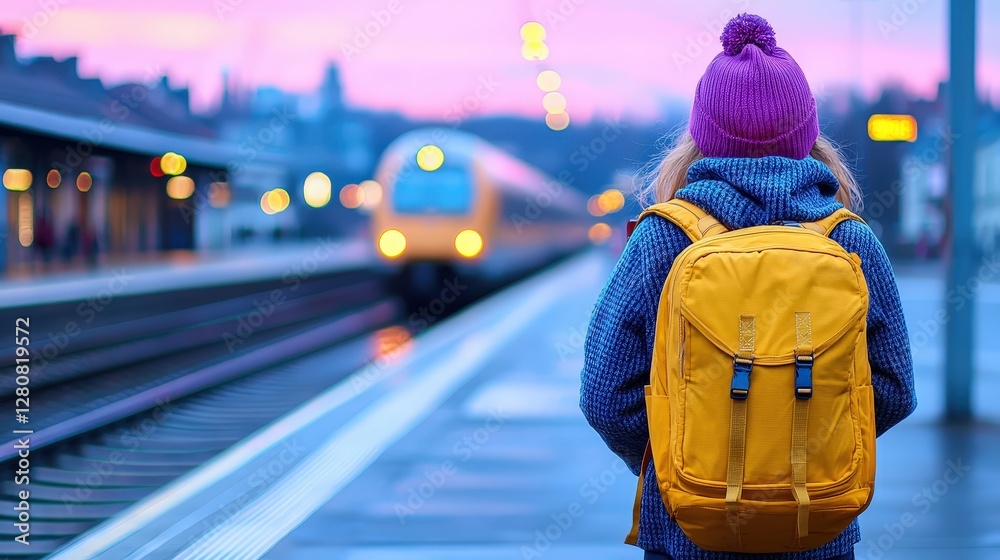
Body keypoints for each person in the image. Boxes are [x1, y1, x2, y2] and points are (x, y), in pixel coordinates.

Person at [580, 14, 916, 560]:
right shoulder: (850, 240)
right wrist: (805, 448)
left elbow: (605, 397)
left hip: (687, 535)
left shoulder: (662, 239)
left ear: (700, 136)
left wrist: (683, 456)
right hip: (818, 529)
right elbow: (894, 388)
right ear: (807, 134)